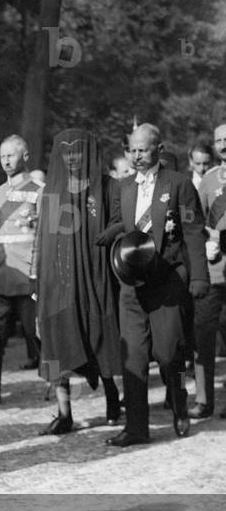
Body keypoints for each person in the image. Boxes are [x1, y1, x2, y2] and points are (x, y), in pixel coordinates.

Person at [97, 124, 208, 445]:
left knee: (169, 354)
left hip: (168, 280)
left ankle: (179, 400)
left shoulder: (179, 184)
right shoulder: (123, 186)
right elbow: (120, 223)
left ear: (159, 149)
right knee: (132, 357)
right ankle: (136, 428)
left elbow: (192, 232)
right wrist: (106, 236)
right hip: (132, 283)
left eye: (143, 150)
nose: (136, 156)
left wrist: (199, 276)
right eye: (132, 150)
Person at [36, 128, 121, 435]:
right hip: (60, 282)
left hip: (96, 278)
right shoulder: (51, 192)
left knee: (100, 337)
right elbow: (44, 243)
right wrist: (41, 287)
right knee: (57, 343)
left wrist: (110, 233)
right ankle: (64, 413)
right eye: (66, 151)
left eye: (77, 150)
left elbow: (121, 220)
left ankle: (112, 398)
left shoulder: (107, 186)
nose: (72, 157)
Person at [0, 135, 42, 407]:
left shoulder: (40, 191)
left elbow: (42, 238)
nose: (6, 161)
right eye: (2, 156)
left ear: (25, 156)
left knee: (38, 333)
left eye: (11, 155)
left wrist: (39, 274)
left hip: (27, 274)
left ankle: (58, 389)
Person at [194, 124, 226, 417]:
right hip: (214, 271)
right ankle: (203, 400)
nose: (224, 144)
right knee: (203, 336)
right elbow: (197, 221)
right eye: (219, 140)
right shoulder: (209, 179)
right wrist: (209, 240)